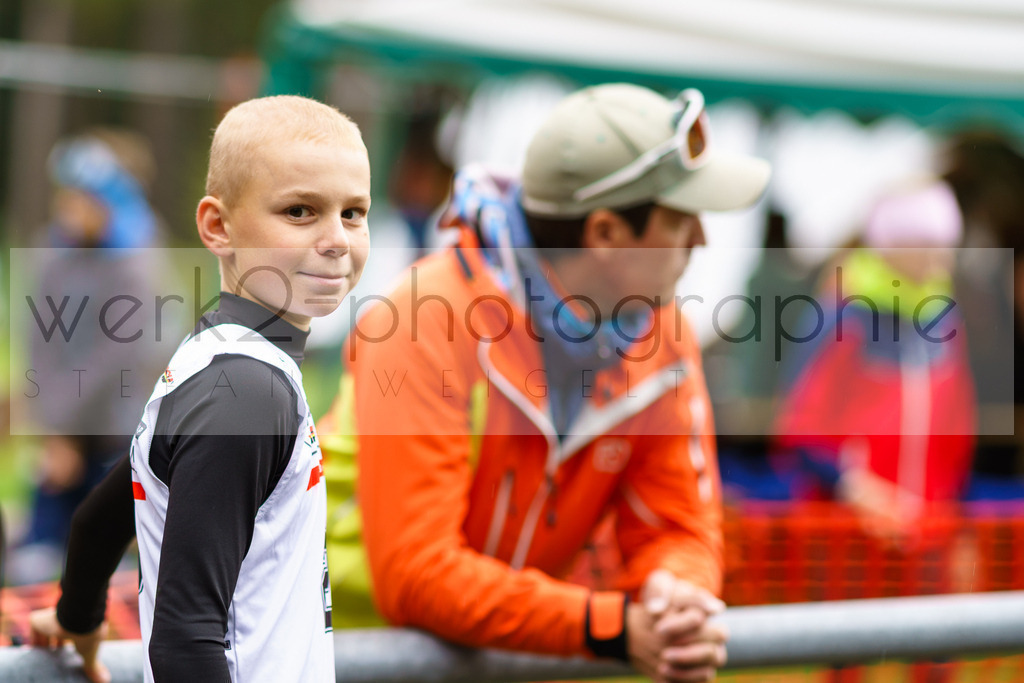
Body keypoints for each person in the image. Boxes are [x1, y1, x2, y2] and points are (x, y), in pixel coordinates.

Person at [318, 83, 770, 681]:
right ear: (605, 233)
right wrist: (607, 628)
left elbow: (678, 528)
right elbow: (418, 575)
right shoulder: (425, 319)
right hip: (339, 658)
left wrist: (676, 594)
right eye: (681, 218)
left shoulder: (663, 331)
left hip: (487, 655)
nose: (701, 240)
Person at [29, 95, 372, 683]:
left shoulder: (219, 359)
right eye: (299, 211)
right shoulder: (247, 392)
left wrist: (76, 616)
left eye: (353, 213)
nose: (337, 238)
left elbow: (99, 523)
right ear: (218, 226)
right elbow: (183, 641)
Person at [772, 179, 976, 547]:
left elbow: (958, 433)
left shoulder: (944, 321)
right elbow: (799, 430)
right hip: (846, 543)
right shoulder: (842, 316)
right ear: (891, 246)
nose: (941, 257)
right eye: (927, 243)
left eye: (947, 243)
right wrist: (853, 487)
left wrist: (958, 525)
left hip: (927, 539)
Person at [10, 129, 167, 585]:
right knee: (37, 560)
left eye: (84, 198)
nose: (70, 208)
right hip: (58, 431)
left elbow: (117, 356)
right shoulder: (52, 252)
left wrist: (71, 433)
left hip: (112, 431)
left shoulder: (136, 262)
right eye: (66, 195)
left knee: (105, 560)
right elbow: (38, 342)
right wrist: (52, 429)